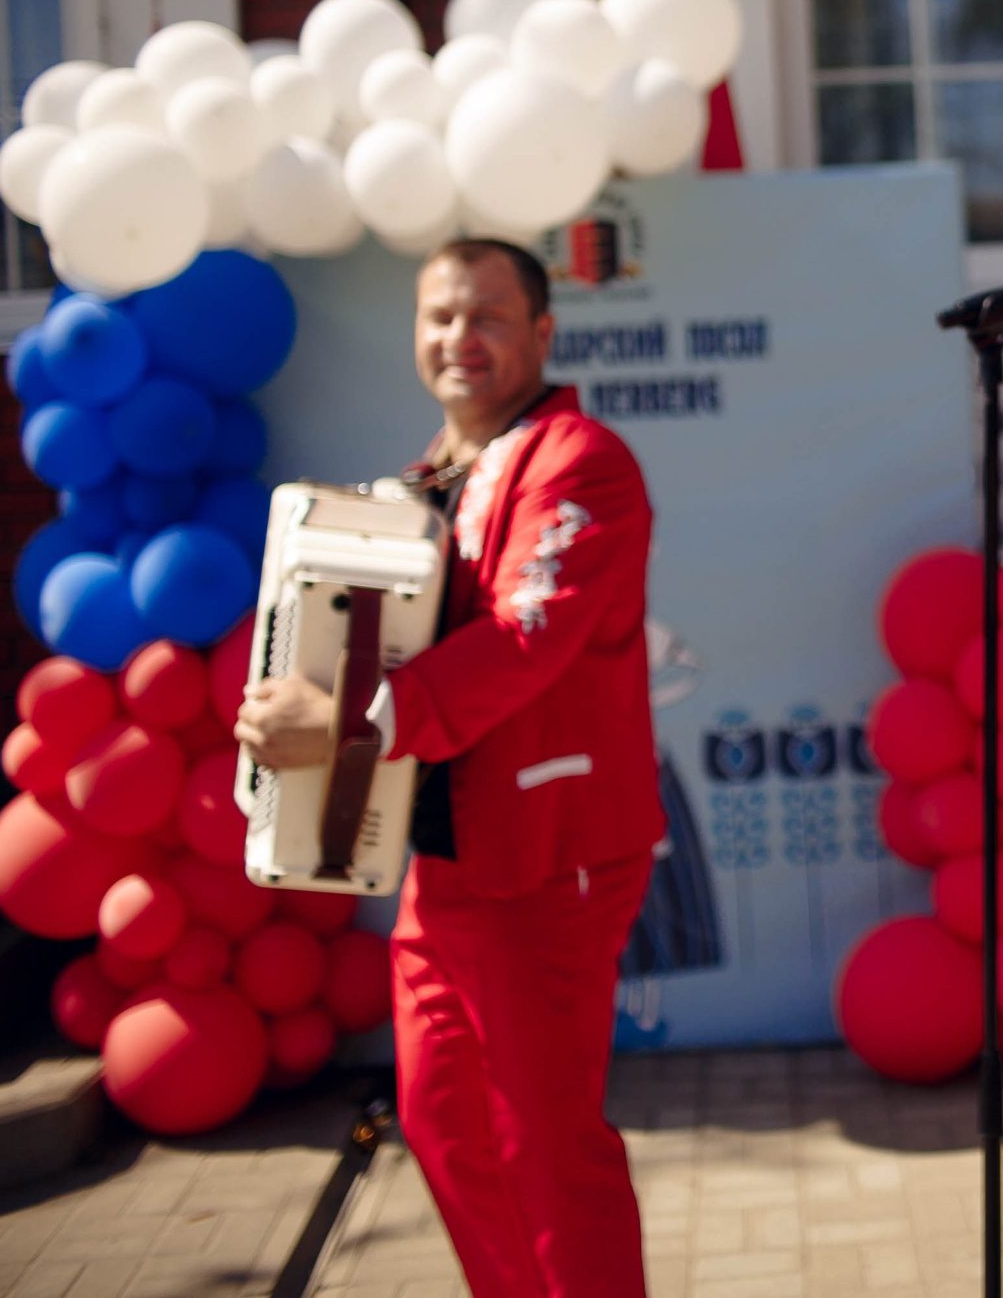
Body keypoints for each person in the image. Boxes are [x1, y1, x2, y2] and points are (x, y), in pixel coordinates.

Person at [236, 238, 664, 1298]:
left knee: (545, 1151)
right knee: (443, 1130)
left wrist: (341, 726)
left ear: (541, 334)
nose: (457, 339)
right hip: (445, 865)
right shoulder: (432, 470)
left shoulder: (581, 460)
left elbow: (522, 641)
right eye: (438, 318)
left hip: (546, 864)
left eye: (486, 317)